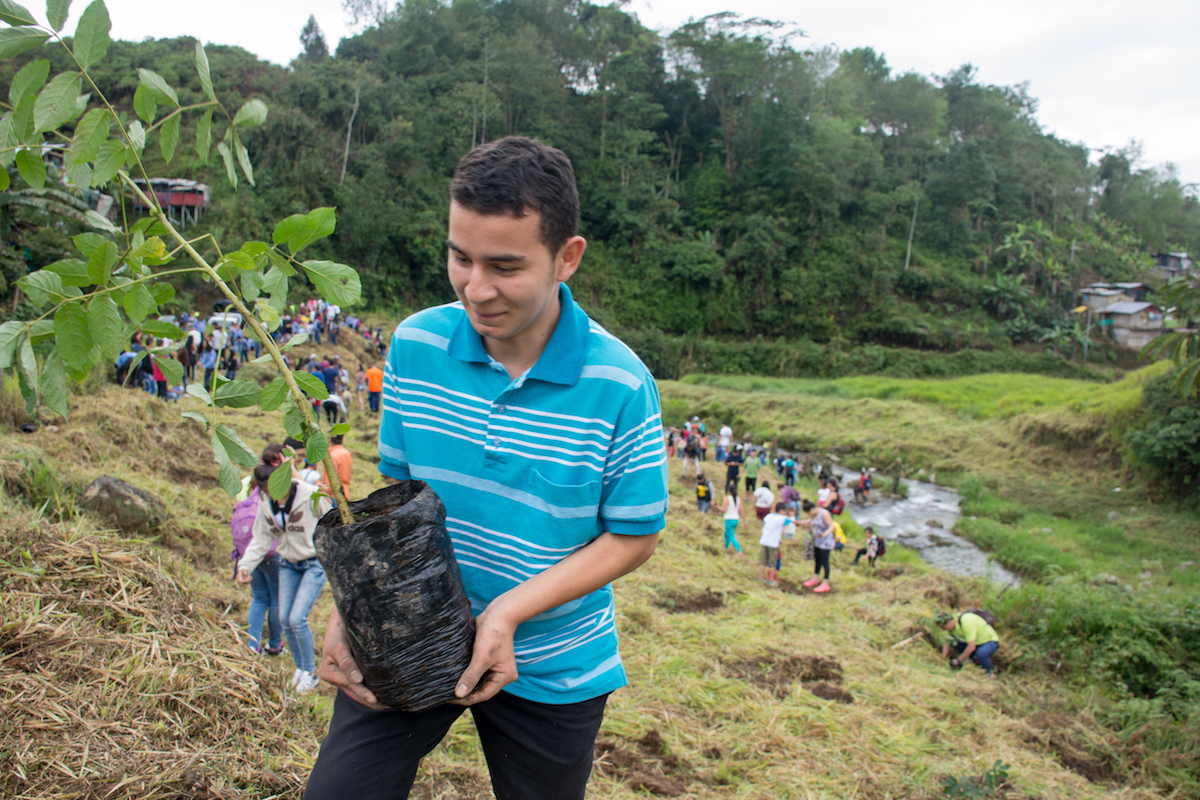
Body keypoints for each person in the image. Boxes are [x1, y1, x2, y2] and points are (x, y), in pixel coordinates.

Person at [307, 136, 668, 800]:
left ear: (567, 257)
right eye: (460, 257)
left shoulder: (620, 384)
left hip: (551, 660)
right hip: (411, 628)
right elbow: (398, 500)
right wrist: (357, 606)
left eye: (505, 266)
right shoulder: (416, 344)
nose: (477, 289)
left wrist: (507, 613)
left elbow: (634, 535)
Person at [237, 464, 333, 694]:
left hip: (313, 563)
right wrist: (245, 565)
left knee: (297, 618)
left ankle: (310, 672)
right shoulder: (265, 502)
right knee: (284, 618)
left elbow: (331, 519)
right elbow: (261, 538)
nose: (273, 494)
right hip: (288, 564)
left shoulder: (309, 494)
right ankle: (300, 668)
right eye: (268, 491)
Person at [936, 610, 1000, 678]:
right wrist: (943, 658)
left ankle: (989, 674)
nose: (944, 630)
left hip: (989, 641)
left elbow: (971, 646)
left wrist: (958, 660)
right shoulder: (950, 627)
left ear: (949, 622)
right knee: (955, 642)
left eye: (944, 628)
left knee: (981, 653)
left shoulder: (965, 622)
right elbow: (947, 641)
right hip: (975, 642)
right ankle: (975, 659)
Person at [801, 499, 835, 594]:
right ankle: (815, 578)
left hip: (826, 541)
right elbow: (810, 521)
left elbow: (831, 526)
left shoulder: (824, 513)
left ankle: (825, 583)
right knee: (817, 560)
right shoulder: (813, 515)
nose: (809, 515)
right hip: (817, 541)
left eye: (809, 512)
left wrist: (824, 534)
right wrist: (798, 522)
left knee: (825, 562)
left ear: (812, 509)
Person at [758, 502, 794, 587]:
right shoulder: (782, 518)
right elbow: (793, 522)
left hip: (764, 541)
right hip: (773, 543)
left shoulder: (768, 516)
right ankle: (771, 580)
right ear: (781, 510)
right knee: (772, 563)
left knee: (762, 562)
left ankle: (761, 578)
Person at [320, 434, 353, 500]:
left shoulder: (332, 455)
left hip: (334, 494)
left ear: (330, 440)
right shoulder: (347, 453)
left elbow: (330, 479)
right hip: (345, 491)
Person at [720, 487, 744, 558]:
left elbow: (724, 510)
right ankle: (726, 547)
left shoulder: (727, 499)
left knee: (731, 536)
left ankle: (739, 551)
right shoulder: (738, 499)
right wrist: (745, 520)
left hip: (729, 519)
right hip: (736, 519)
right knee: (726, 533)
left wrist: (718, 507)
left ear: (728, 491)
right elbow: (741, 510)